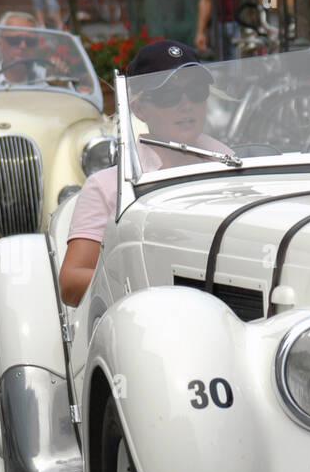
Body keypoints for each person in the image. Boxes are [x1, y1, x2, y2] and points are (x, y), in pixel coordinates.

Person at [59, 40, 232, 307]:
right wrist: (147, 287)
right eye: (168, 96)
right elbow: (70, 282)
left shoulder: (231, 165)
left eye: (196, 91)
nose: (186, 104)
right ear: (139, 109)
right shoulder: (108, 186)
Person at [0, 13, 49, 88]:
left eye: (30, 41)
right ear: (0, 44)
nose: (23, 46)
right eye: (14, 40)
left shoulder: (49, 79)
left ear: (37, 45)